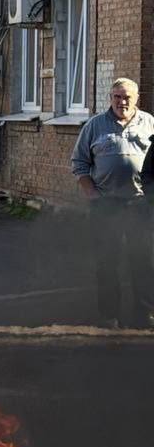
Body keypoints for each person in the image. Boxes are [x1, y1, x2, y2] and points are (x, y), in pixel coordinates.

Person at [72, 77, 154, 328]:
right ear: (110, 98)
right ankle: (110, 316)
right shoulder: (95, 126)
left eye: (127, 97)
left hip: (141, 205)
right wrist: (94, 198)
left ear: (137, 98)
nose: (122, 102)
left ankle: (144, 315)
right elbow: (79, 164)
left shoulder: (149, 123)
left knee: (142, 260)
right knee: (107, 261)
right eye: (117, 97)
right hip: (106, 205)